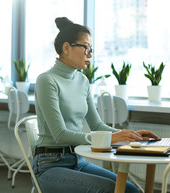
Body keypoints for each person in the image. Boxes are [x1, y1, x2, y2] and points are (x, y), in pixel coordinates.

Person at [33, 17, 161, 193]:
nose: (90, 54)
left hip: (78, 161)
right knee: (108, 189)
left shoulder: (83, 81)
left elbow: (97, 125)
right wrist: (110, 138)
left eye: (91, 49)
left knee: (130, 190)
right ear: (66, 48)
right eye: (86, 47)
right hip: (49, 165)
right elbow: (60, 135)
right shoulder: (47, 80)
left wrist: (129, 136)